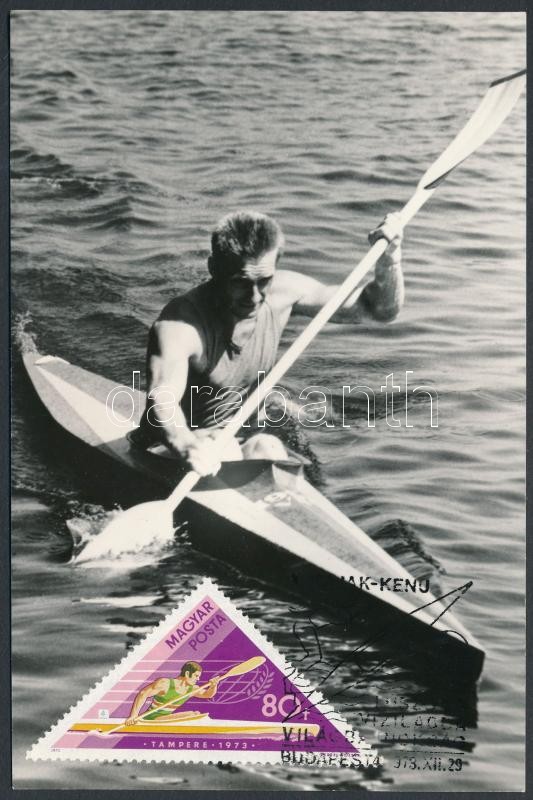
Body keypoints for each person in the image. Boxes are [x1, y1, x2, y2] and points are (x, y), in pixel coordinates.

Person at [131, 210, 404, 476]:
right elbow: (162, 399)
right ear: (213, 268)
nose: (253, 297)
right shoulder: (180, 324)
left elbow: (380, 310)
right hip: (170, 450)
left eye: (264, 281)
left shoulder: (284, 293)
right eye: (240, 282)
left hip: (239, 441)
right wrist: (188, 446)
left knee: (268, 446)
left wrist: (390, 260)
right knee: (230, 451)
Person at [125, 660, 220, 725]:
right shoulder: (165, 683)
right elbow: (143, 694)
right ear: (187, 674)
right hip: (152, 719)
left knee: (195, 714)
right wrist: (133, 715)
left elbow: (208, 694)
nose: (198, 679)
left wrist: (213, 685)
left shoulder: (192, 689)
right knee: (192, 714)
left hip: (166, 718)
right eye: (196, 676)